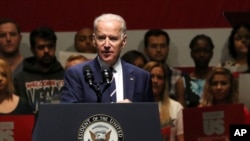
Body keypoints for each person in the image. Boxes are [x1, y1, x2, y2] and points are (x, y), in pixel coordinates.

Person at [61, 13, 154, 103]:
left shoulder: (141, 77)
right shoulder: (76, 74)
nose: (106, 45)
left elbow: (148, 116)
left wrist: (130, 111)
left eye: (113, 39)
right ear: (94, 40)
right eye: (101, 38)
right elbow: (69, 115)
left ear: (124, 41)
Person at [14, 27, 64, 113]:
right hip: (29, 124)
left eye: (50, 46)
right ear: (33, 50)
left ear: (55, 47)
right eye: (41, 47)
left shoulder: (65, 75)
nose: (46, 51)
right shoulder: (20, 78)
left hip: (60, 122)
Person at [143, 61, 184, 141]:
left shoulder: (176, 107)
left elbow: (181, 138)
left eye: (160, 77)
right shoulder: (134, 106)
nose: (155, 81)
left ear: (165, 82)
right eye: (151, 76)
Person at [144, 29, 184, 101]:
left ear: (168, 49)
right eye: (153, 46)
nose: (158, 50)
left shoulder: (179, 76)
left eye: (162, 46)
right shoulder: (139, 75)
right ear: (146, 50)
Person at [180, 34, 214, 107]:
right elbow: (181, 111)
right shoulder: (183, 81)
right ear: (191, 54)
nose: (202, 54)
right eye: (197, 51)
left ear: (211, 54)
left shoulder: (218, 80)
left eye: (206, 51)